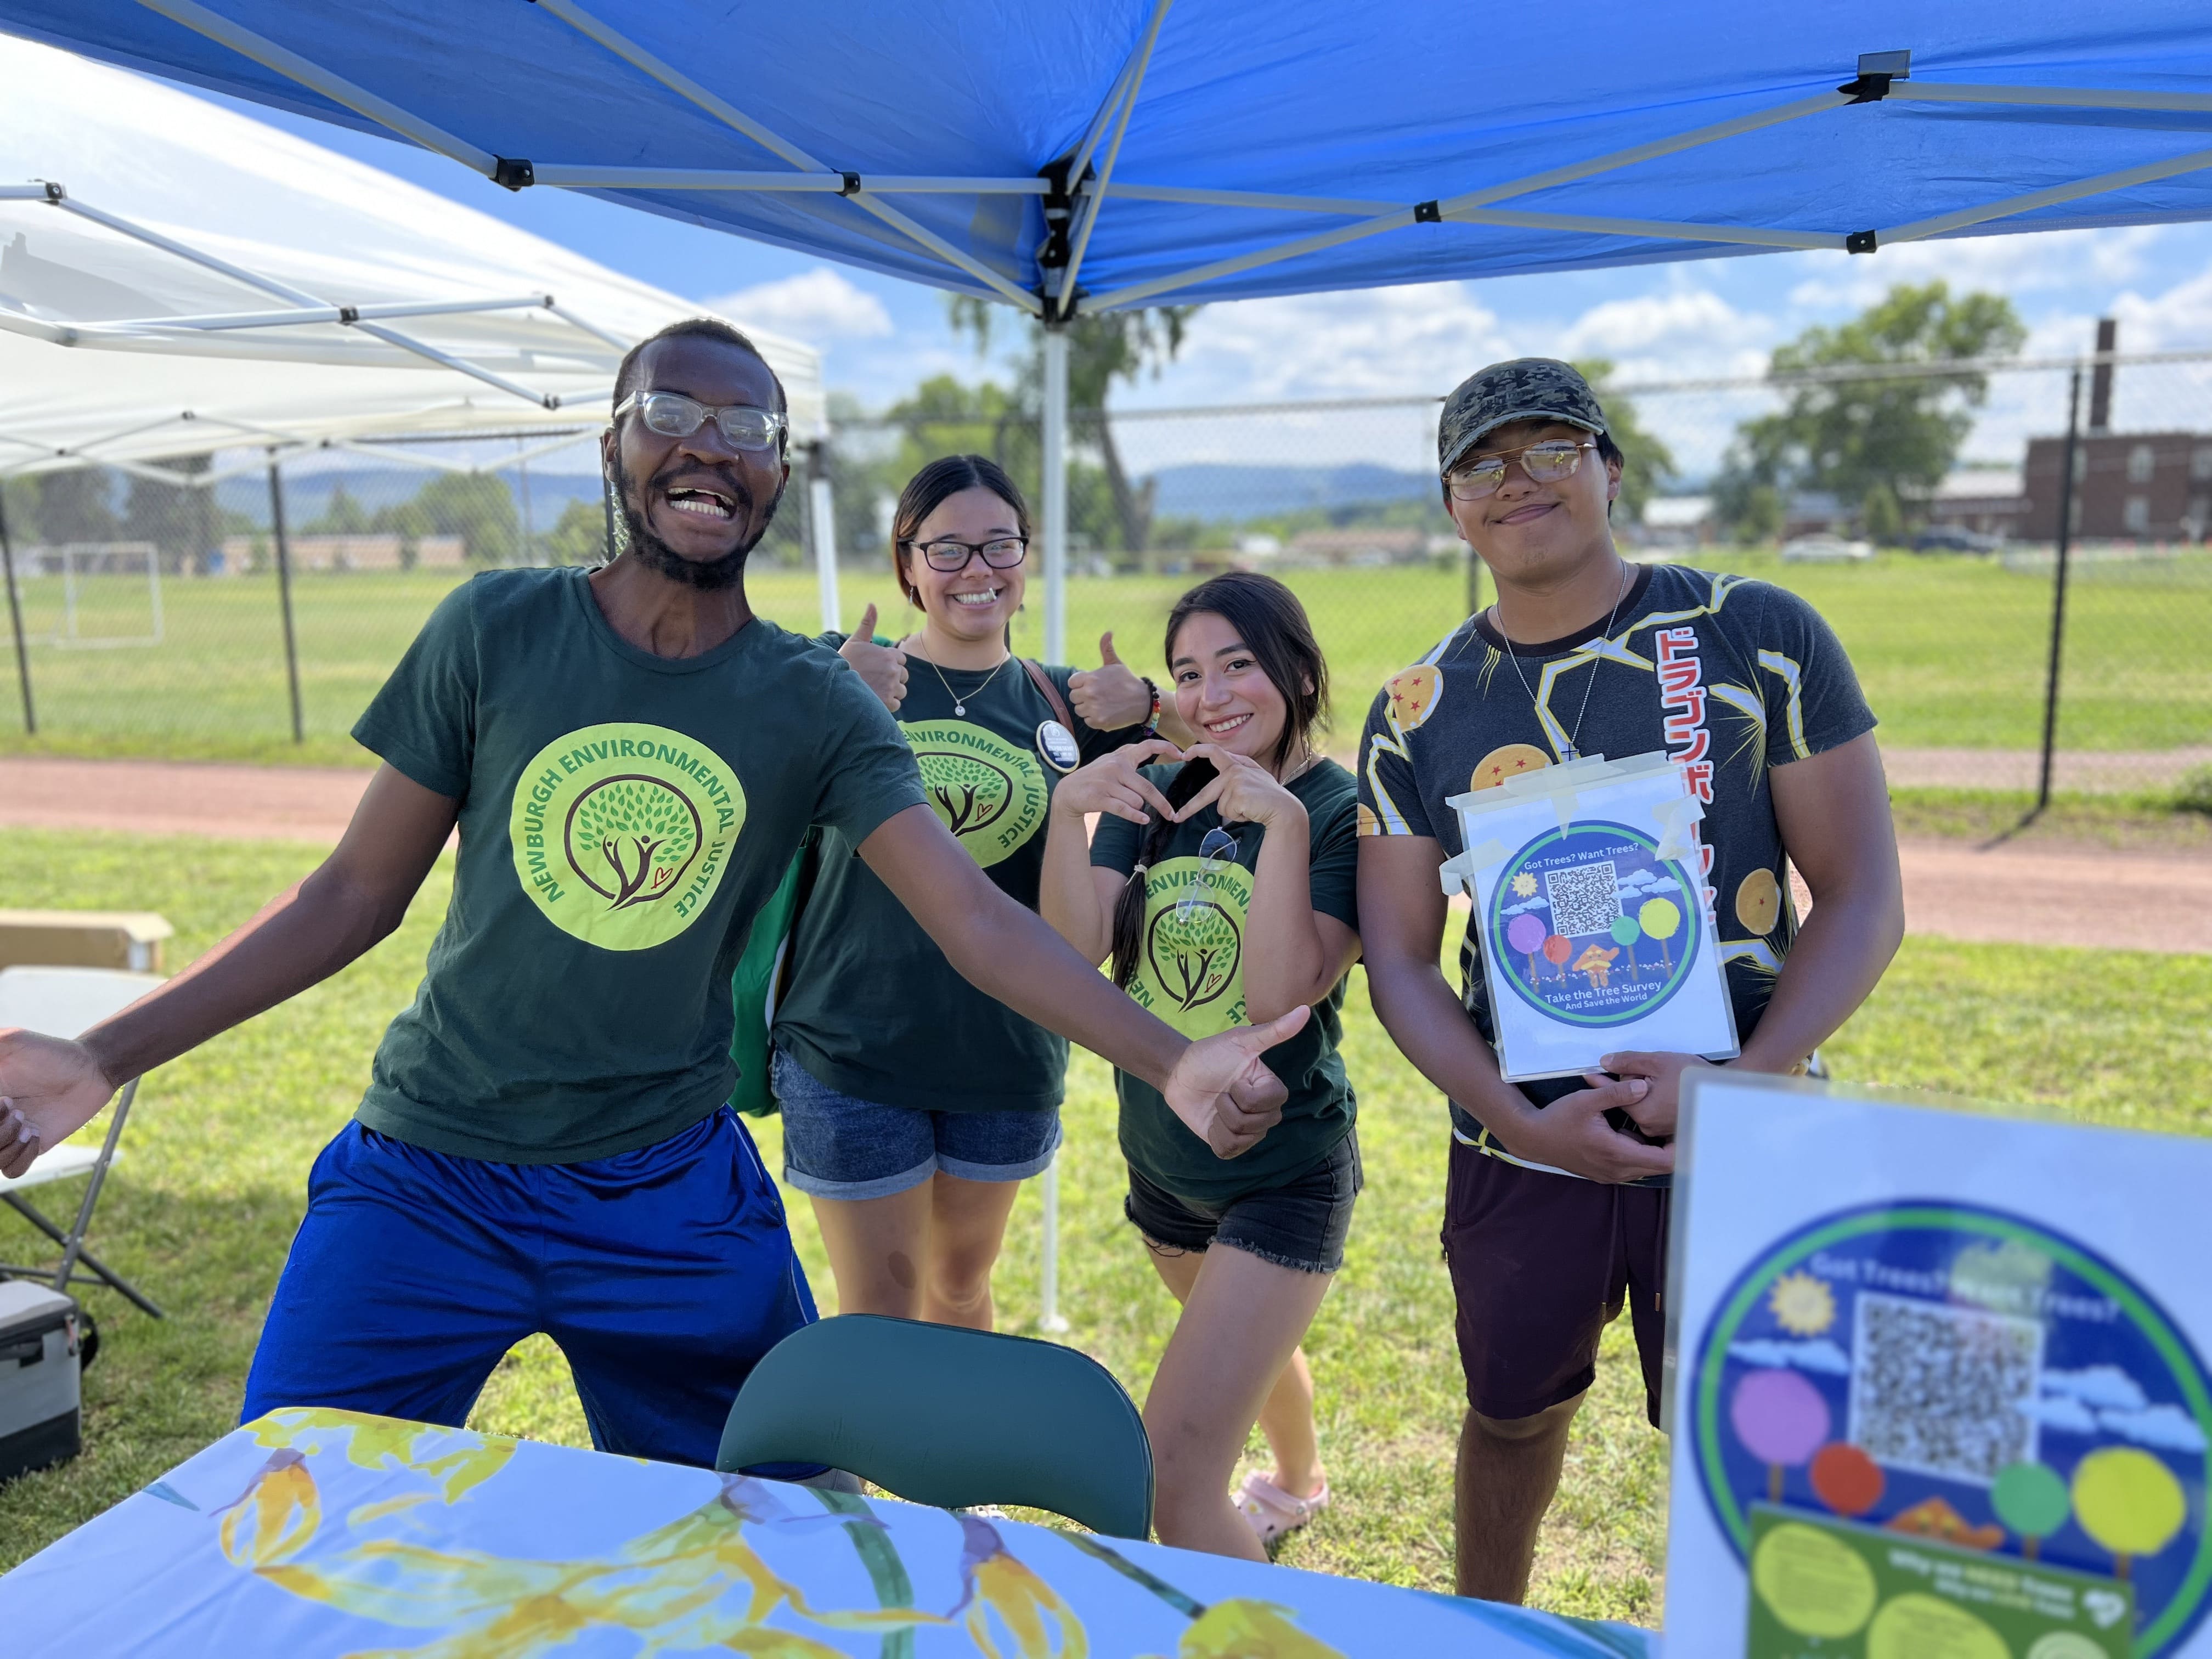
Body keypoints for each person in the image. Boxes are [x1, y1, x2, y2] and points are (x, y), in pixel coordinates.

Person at [0, 318, 1304, 1470]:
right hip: (427, 1173)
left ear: (779, 476)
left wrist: (1176, 1057)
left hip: (668, 1192)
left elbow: (972, 919)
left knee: (777, 1519)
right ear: (614, 446)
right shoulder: (495, 628)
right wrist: (102, 1054)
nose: (710, 445)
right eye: (671, 413)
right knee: (290, 1509)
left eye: (749, 426)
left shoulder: (813, 700)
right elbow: (351, 895)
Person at [1355, 358, 1904, 1601]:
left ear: (1610, 468)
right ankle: (1487, 1632)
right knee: (1507, 1415)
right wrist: (1516, 1118)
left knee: (1768, 1451)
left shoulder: (1754, 633)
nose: (1518, 482)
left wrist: (1739, 1091)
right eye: (1483, 464)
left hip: (1748, 1128)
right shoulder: (1417, 707)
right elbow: (1396, 956)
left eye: (1552, 450)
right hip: (1520, 1145)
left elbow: (1863, 894)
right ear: (1453, 507)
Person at [770, 454, 1156, 1330]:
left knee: (958, 1287)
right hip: (850, 1047)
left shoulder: (1070, 705)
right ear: (906, 565)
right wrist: (828, 694)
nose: (976, 571)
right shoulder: (844, 673)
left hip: (1005, 1055)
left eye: (999, 546)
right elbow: (723, 731)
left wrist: (1155, 700)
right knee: (878, 1309)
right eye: (946, 551)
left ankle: (949, 1471)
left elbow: (1242, 734)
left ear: (1029, 561)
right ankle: (858, 1469)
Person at [1038, 572, 1363, 1561]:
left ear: (1296, 671)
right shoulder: (1166, 788)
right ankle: (1299, 1483)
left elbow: (1279, 999)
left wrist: (1286, 826)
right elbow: (1075, 947)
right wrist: (1068, 816)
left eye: (1238, 664)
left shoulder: (1340, 809)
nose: (1211, 694)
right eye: (1188, 673)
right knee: (1253, 1362)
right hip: (1164, 1166)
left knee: (1172, 1482)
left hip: (1283, 1173)